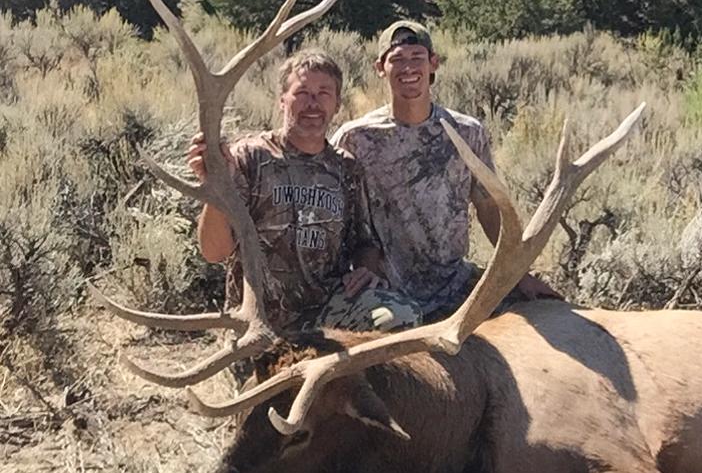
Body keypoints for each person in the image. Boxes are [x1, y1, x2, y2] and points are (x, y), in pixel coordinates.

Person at [331, 21, 560, 320]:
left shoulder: (467, 131)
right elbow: (332, 212)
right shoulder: (355, 138)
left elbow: (489, 208)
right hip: (388, 287)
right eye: (397, 59)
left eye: (417, 57)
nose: (408, 68)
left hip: (455, 282)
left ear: (433, 62)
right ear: (380, 67)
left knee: (545, 313)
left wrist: (518, 274)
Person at [188, 49, 421, 334]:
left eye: (324, 93)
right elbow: (214, 252)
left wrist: (366, 269)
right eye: (302, 92)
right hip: (259, 321)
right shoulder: (248, 158)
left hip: (326, 313)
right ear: (282, 101)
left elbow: (364, 242)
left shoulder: (346, 168)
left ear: (336, 104)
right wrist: (217, 187)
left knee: (401, 317)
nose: (313, 103)